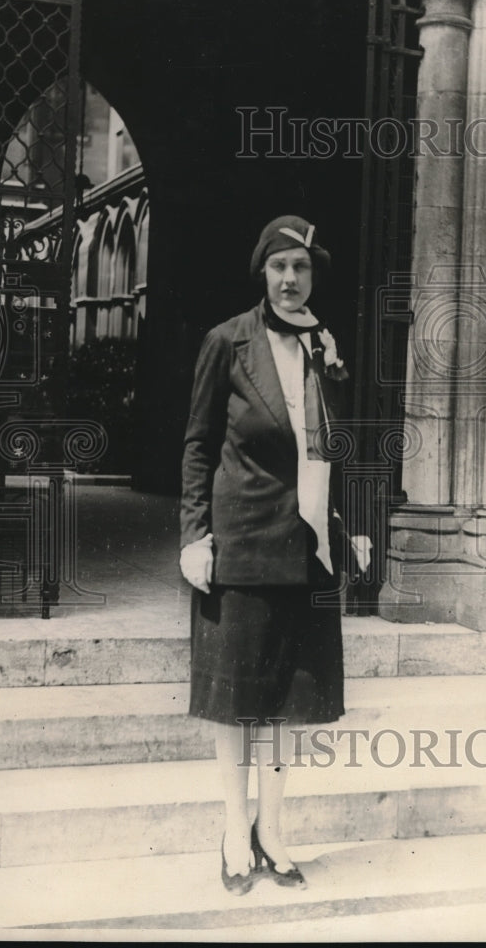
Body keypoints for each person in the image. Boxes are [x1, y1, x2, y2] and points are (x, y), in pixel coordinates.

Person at [179, 215, 371, 895]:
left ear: (314, 275)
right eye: (279, 266)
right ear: (262, 272)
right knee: (237, 699)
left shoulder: (324, 345)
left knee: (290, 698)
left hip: (306, 547)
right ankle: (235, 831)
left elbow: (331, 449)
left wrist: (348, 527)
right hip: (242, 544)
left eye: (302, 267)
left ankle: (273, 829)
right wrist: (194, 536)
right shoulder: (227, 342)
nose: (290, 279)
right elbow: (199, 445)